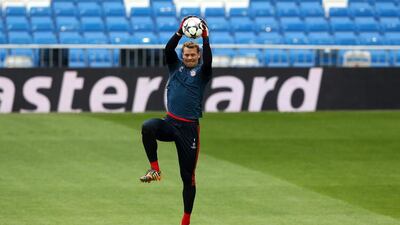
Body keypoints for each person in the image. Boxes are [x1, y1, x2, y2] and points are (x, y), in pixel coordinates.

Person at [139, 16, 212, 225]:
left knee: (187, 178)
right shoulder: (175, 66)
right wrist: (179, 32)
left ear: (198, 56)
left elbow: (209, 61)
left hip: (189, 130)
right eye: (186, 54)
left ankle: (186, 219)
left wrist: (205, 39)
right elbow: (167, 50)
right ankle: (155, 170)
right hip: (170, 123)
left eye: (192, 55)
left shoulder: (203, 73)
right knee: (148, 127)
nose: (189, 57)